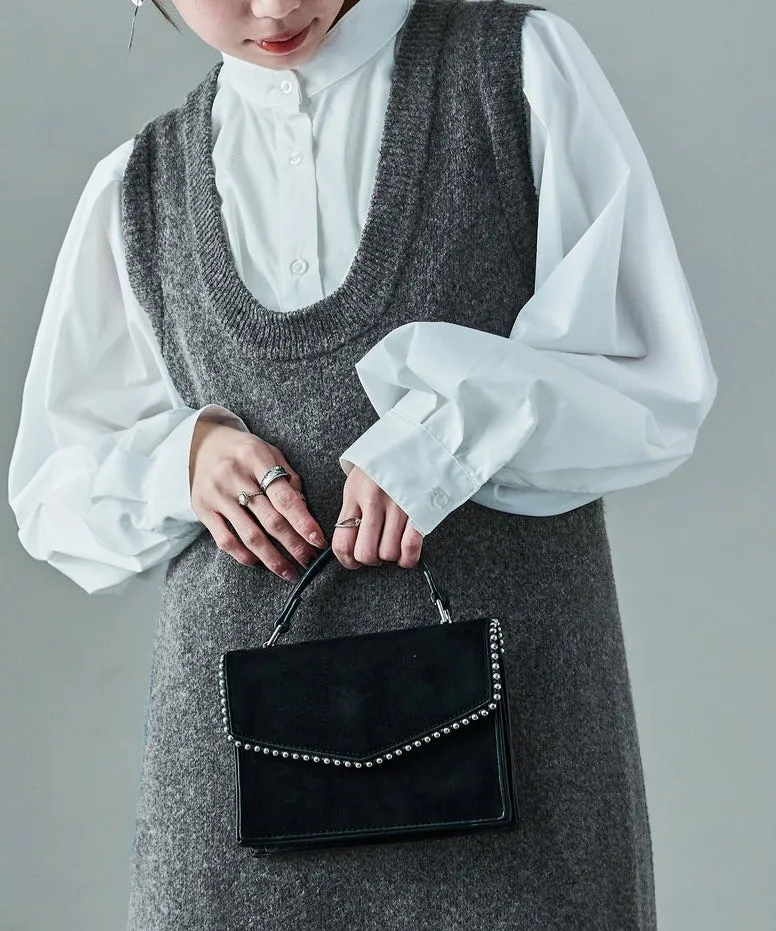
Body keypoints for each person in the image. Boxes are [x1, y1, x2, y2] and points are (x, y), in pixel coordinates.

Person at [7, 0, 718, 927]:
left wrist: (442, 441)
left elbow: (650, 373)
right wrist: (184, 458)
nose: (274, 8)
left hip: (524, 768)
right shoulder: (137, 189)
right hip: (235, 808)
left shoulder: (511, 71)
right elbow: (53, 489)